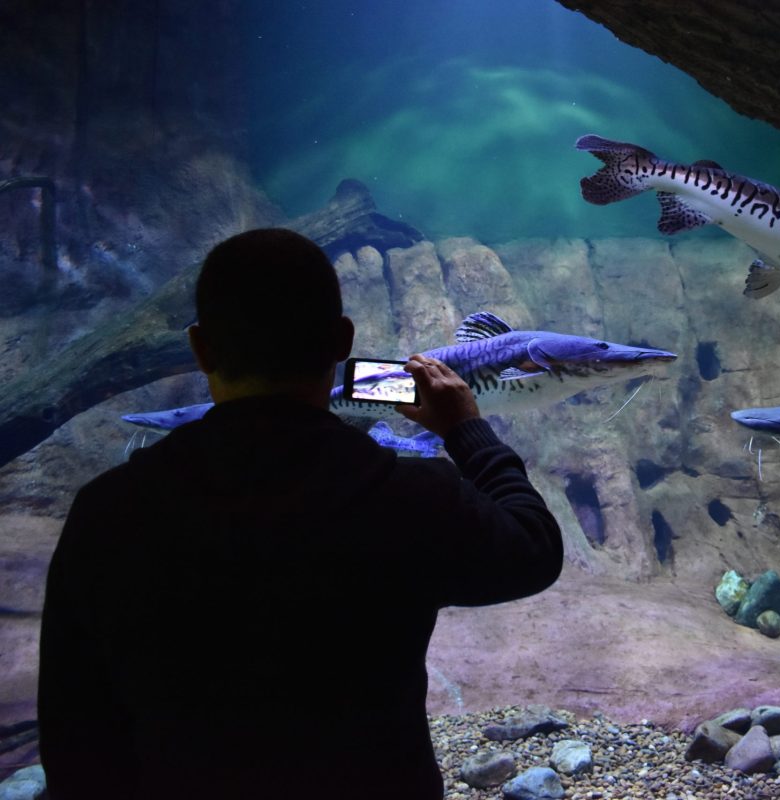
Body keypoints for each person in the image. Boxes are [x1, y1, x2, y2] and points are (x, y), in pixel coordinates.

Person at [37, 228, 563, 799]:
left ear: (201, 348)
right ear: (343, 341)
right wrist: (466, 430)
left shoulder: (110, 509)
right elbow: (532, 549)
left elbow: (73, 726)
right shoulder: (406, 496)